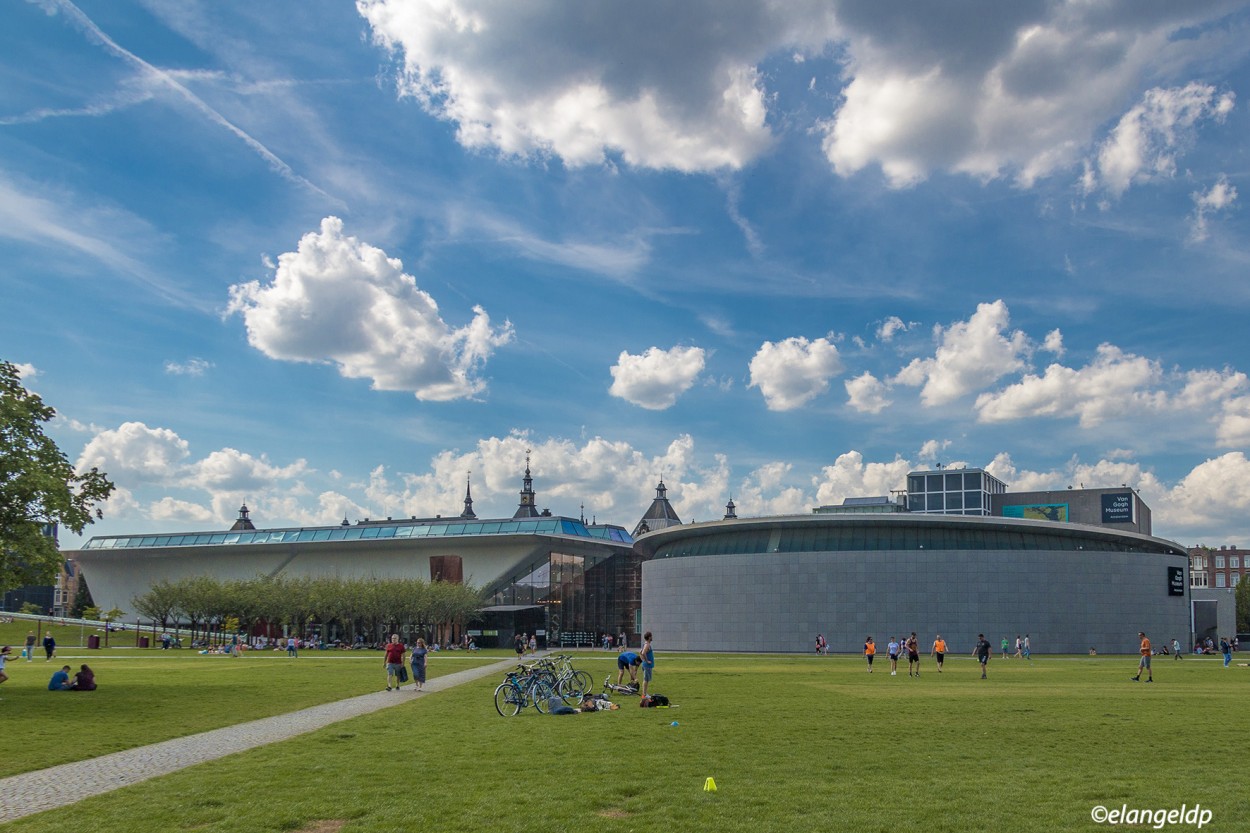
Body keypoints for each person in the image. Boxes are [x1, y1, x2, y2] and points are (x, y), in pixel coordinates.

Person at [639, 631, 656, 698]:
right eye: (651, 636)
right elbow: (643, 653)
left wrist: (643, 660)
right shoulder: (647, 645)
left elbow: (640, 652)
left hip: (646, 665)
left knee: (647, 679)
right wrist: (646, 661)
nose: (652, 637)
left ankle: (645, 694)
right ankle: (644, 694)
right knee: (646, 679)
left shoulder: (645, 644)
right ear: (649, 637)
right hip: (647, 666)